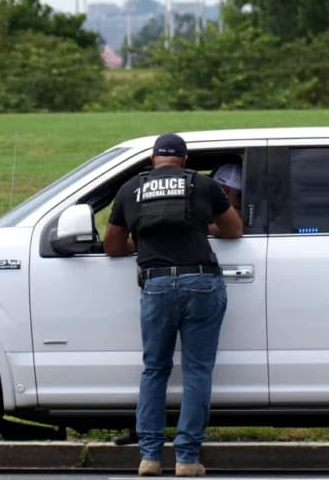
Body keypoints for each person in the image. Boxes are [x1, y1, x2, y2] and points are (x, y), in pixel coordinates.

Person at [104, 133, 243, 477]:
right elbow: (233, 231)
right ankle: (187, 459)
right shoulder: (204, 186)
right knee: (197, 371)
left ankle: (149, 457)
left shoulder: (129, 190)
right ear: (184, 160)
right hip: (201, 282)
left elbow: (112, 245)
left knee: (154, 370)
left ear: (152, 159)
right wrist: (204, 226)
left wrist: (141, 244)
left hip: (157, 284)